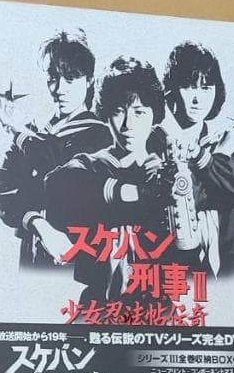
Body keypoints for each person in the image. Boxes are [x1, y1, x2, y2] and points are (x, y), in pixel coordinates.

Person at [44, 56, 175, 304]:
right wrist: (131, 192)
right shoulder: (91, 164)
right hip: (98, 301)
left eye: (139, 112)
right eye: (118, 112)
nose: (128, 125)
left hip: (158, 301)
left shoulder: (167, 170)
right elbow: (55, 184)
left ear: (154, 115)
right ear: (105, 114)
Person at [0, 30, 112, 268]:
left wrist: (18, 133)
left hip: (80, 255)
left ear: (89, 80)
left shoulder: (101, 135)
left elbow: (58, 167)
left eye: (70, 79)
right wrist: (36, 222)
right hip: (33, 253)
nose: (59, 89)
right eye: (52, 78)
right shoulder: (35, 132)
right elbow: (1, 189)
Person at [160, 41, 234, 277]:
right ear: (172, 89)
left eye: (206, 87)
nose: (198, 99)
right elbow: (183, 198)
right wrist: (216, 157)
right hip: (174, 260)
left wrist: (211, 158)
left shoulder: (221, 139)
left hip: (226, 257)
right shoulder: (156, 140)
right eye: (189, 86)